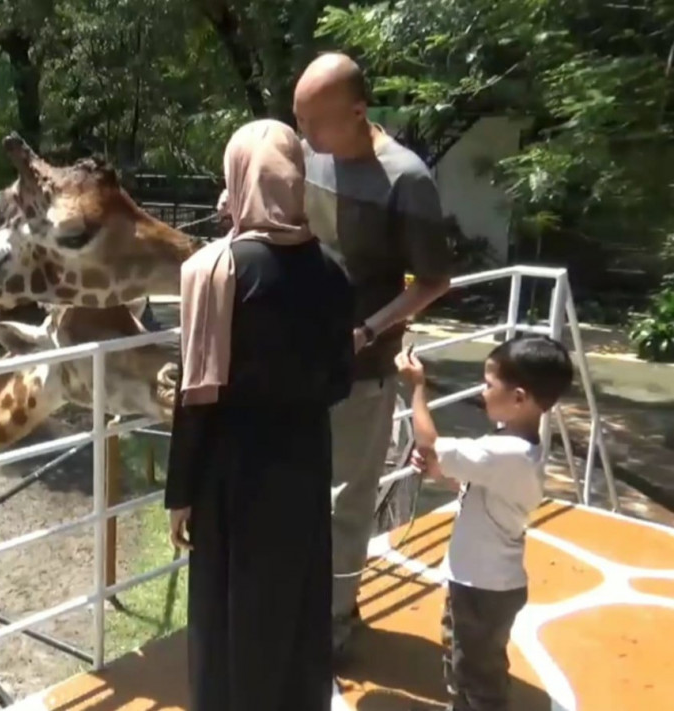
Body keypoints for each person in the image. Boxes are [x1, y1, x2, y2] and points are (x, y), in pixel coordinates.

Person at [165, 119, 355, 710]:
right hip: (304, 462)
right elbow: (341, 380)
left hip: (233, 473)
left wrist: (180, 495)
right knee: (294, 606)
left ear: (238, 177)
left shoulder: (213, 270)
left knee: (231, 615)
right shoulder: (332, 270)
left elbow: (198, 398)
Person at [292, 51, 455, 658]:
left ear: (358, 113)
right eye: (299, 122)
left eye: (315, 125)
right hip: (298, 359)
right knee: (296, 489)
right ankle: (306, 602)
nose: (305, 138)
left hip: (360, 369)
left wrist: (371, 329)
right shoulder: (311, 154)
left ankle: (332, 624)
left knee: (345, 500)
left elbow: (434, 281)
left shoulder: (407, 179)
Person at [396, 336, 573, 711]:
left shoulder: (504, 452)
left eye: (489, 385)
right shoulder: (522, 442)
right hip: (485, 583)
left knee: (478, 676)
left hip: (483, 587)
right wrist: (442, 472)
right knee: (465, 661)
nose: (482, 391)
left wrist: (417, 388)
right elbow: (476, 483)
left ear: (519, 398)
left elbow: (428, 444)